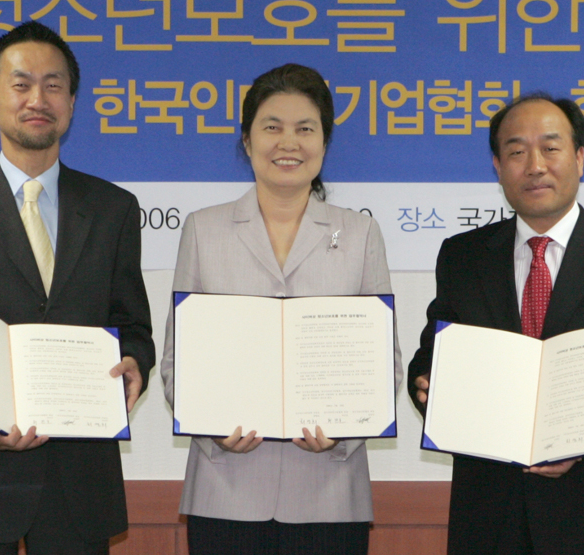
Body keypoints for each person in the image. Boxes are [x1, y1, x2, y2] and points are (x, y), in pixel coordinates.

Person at [0, 21, 154, 555]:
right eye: (21, 84)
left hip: (79, 484)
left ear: (71, 103)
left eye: (54, 84)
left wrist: (135, 362)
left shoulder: (114, 209)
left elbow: (133, 326)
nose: (38, 98)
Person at [407, 93, 584, 555]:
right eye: (516, 151)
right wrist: (428, 385)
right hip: (489, 512)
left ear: (579, 157)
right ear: (497, 167)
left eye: (551, 147)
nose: (534, 165)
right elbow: (435, 352)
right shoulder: (463, 256)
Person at [159, 63, 403, 555]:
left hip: (330, 494)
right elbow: (175, 361)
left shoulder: (359, 234)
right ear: (247, 142)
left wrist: (343, 435)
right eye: (271, 127)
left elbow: (384, 365)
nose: (288, 143)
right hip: (225, 491)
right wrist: (213, 433)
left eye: (304, 129)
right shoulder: (204, 230)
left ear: (324, 144)